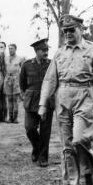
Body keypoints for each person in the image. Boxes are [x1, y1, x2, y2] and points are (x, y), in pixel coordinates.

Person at [38, 15, 93, 185]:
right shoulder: (59, 53)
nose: (68, 33)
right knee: (67, 145)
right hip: (63, 98)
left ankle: (88, 173)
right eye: (65, 31)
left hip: (85, 96)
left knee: (80, 139)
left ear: (80, 30)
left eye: (71, 30)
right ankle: (73, 183)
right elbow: (50, 79)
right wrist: (43, 104)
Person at [19, 38, 54, 168]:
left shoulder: (52, 64)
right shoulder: (27, 64)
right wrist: (24, 96)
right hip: (31, 101)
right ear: (36, 51)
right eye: (43, 50)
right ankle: (37, 147)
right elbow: (22, 83)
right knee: (29, 128)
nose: (46, 52)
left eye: (47, 50)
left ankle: (43, 157)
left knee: (45, 131)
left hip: (46, 102)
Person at [3, 44, 24, 123]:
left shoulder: (19, 58)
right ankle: (10, 117)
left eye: (12, 48)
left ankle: (15, 118)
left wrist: (20, 80)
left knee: (15, 99)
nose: (10, 50)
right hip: (8, 78)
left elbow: (22, 70)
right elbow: (4, 68)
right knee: (9, 99)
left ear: (15, 49)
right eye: (9, 48)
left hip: (16, 79)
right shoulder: (6, 58)